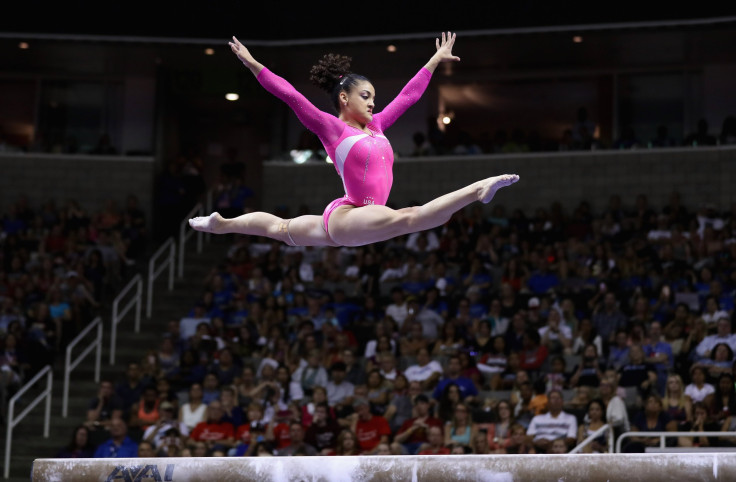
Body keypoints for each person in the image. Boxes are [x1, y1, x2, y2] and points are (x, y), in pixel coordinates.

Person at [189, 33, 519, 248]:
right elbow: (289, 95)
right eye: (365, 96)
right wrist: (252, 63)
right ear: (344, 99)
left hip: (355, 217)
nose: (373, 102)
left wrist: (433, 61)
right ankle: (478, 189)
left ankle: (222, 225)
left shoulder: (377, 125)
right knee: (413, 218)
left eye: (373, 96)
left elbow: (408, 96)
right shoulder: (331, 128)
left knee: (282, 230)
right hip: (351, 215)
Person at [525, 389, 577, 453]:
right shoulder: (537, 418)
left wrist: (552, 444)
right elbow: (529, 437)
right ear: (548, 402)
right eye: (553, 398)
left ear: (562, 401)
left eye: (558, 398)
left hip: (560, 449)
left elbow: (571, 439)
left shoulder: (571, 418)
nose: (556, 400)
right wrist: (536, 442)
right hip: (539, 449)